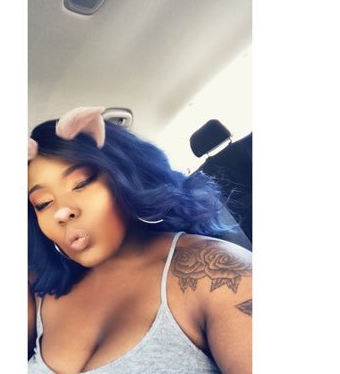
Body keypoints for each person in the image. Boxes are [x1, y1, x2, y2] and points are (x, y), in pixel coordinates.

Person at [28, 106, 252, 374]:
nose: (62, 212)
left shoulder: (218, 273)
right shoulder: (38, 289)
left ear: (126, 175)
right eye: (43, 203)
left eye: (81, 183)